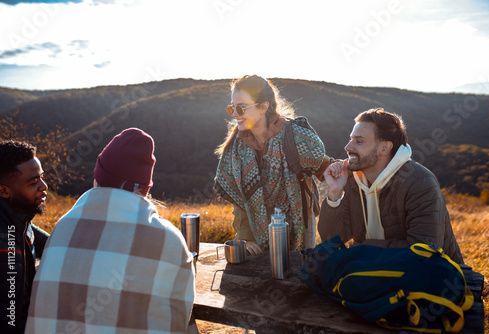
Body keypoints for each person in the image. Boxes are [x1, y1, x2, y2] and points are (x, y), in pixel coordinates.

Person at [26, 128, 197, 333]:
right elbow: (180, 317)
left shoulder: (63, 227)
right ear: (146, 188)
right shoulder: (168, 239)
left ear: (97, 178)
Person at [318, 108, 464, 263]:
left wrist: (361, 249)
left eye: (359, 141)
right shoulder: (353, 180)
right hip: (373, 275)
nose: (348, 147)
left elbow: (424, 251)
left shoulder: (420, 183)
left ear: (384, 148)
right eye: (351, 139)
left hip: (432, 280)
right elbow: (331, 240)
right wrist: (334, 193)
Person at [214, 75, 328, 255]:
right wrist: (245, 237)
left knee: (298, 278)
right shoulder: (236, 147)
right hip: (254, 231)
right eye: (231, 108)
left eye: (240, 107)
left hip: (300, 228)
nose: (235, 114)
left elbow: (323, 165)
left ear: (263, 107)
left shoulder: (293, 136)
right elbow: (241, 198)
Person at [0, 140, 50, 334]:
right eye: (33, 182)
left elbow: (52, 244)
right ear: (3, 191)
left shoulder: (21, 222)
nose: (44, 186)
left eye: (42, 177)